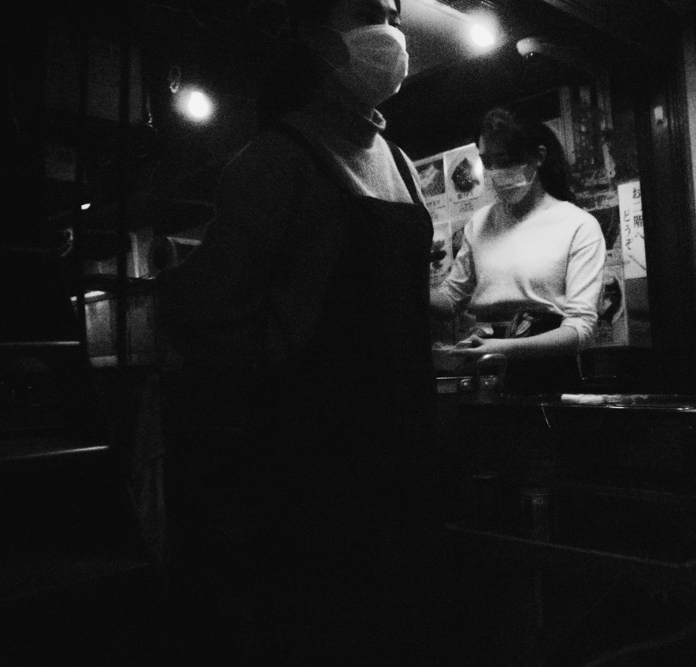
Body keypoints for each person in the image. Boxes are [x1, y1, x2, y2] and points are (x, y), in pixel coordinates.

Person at [155, 1, 451, 663]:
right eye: (371, 12)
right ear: (316, 37)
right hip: (312, 464)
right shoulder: (274, 160)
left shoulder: (402, 163)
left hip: (402, 447)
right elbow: (208, 309)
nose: (392, 32)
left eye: (395, 16)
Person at [430, 107, 607, 394]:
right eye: (487, 162)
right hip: (486, 365)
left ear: (538, 156)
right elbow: (451, 299)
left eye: (503, 160)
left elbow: (580, 330)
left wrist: (503, 348)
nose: (494, 172)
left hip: (547, 372)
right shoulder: (480, 222)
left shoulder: (578, 225)